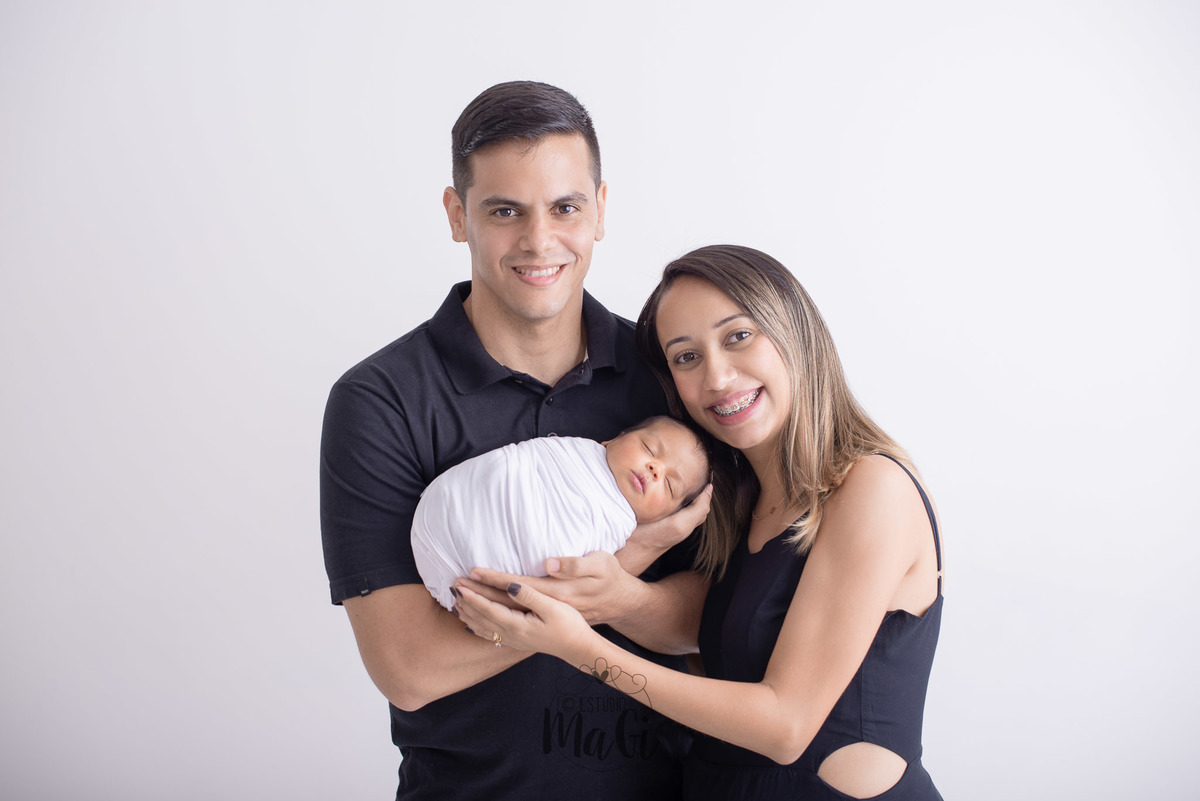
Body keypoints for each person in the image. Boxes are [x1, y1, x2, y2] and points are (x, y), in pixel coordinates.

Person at [320, 81, 710, 799]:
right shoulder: (380, 401)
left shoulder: (672, 379)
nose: (539, 241)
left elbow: (720, 618)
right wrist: (621, 567)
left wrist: (621, 595)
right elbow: (410, 668)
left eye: (566, 207)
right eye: (505, 211)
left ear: (600, 210)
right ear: (456, 214)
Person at [455, 245, 945, 800]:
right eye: (686, 357)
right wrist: (617, 587)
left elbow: (785, 728)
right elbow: (706, 648)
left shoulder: (872, 486)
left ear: (794, 330)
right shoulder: (732, 505)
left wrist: (578, 647)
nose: (717, 376)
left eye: (738, 336)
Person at [413, 416, 710, 611]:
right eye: (649, 448)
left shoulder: (619, 526)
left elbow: (576, 582)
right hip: (440, 517)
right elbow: (519, 465)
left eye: (670, 485)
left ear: (662, 518)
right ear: (613, 439)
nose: (655, 470)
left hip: (483, 583)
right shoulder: (570, 452)